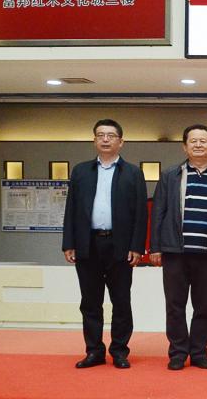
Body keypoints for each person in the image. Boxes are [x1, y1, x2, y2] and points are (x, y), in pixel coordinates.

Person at [61, 119, 147, 369]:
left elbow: (141, 213)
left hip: (120, 246)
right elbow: (71, 209)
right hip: (88, 244)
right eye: (100, 135)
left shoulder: (133, 173)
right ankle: (94, 351)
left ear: (121, 141)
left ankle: (119, 351)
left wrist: (137, 247)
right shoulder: (81, 171)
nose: (105, 139)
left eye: (111, 135)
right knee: (90, 301)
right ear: (94, 140)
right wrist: (69, 243)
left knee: (121, 301)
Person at [150, 124, 207, 370]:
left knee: (203, 307)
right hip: (176, 252)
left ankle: (198, 352)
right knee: (175, 306)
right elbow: (158, 212)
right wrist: (156, 247)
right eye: (193, 141)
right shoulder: (170, 175)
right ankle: (177, 353)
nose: (198, 145)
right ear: (184, 147)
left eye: (203, 141)